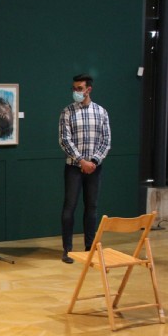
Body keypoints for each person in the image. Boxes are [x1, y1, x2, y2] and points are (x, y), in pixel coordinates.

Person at [59, 73, 111, 264]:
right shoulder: (67, 112)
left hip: (95, 168)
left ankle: (90, 247)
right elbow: (64, 140)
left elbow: (106, 141)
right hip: (74, 167)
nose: (75, 92)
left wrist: (94, 161)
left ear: (89, 89)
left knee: (92, 208)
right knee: (69, 207)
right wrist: (81, 161)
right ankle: (67, 249)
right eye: (73, 88)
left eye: (79, 89)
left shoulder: (101, 112)